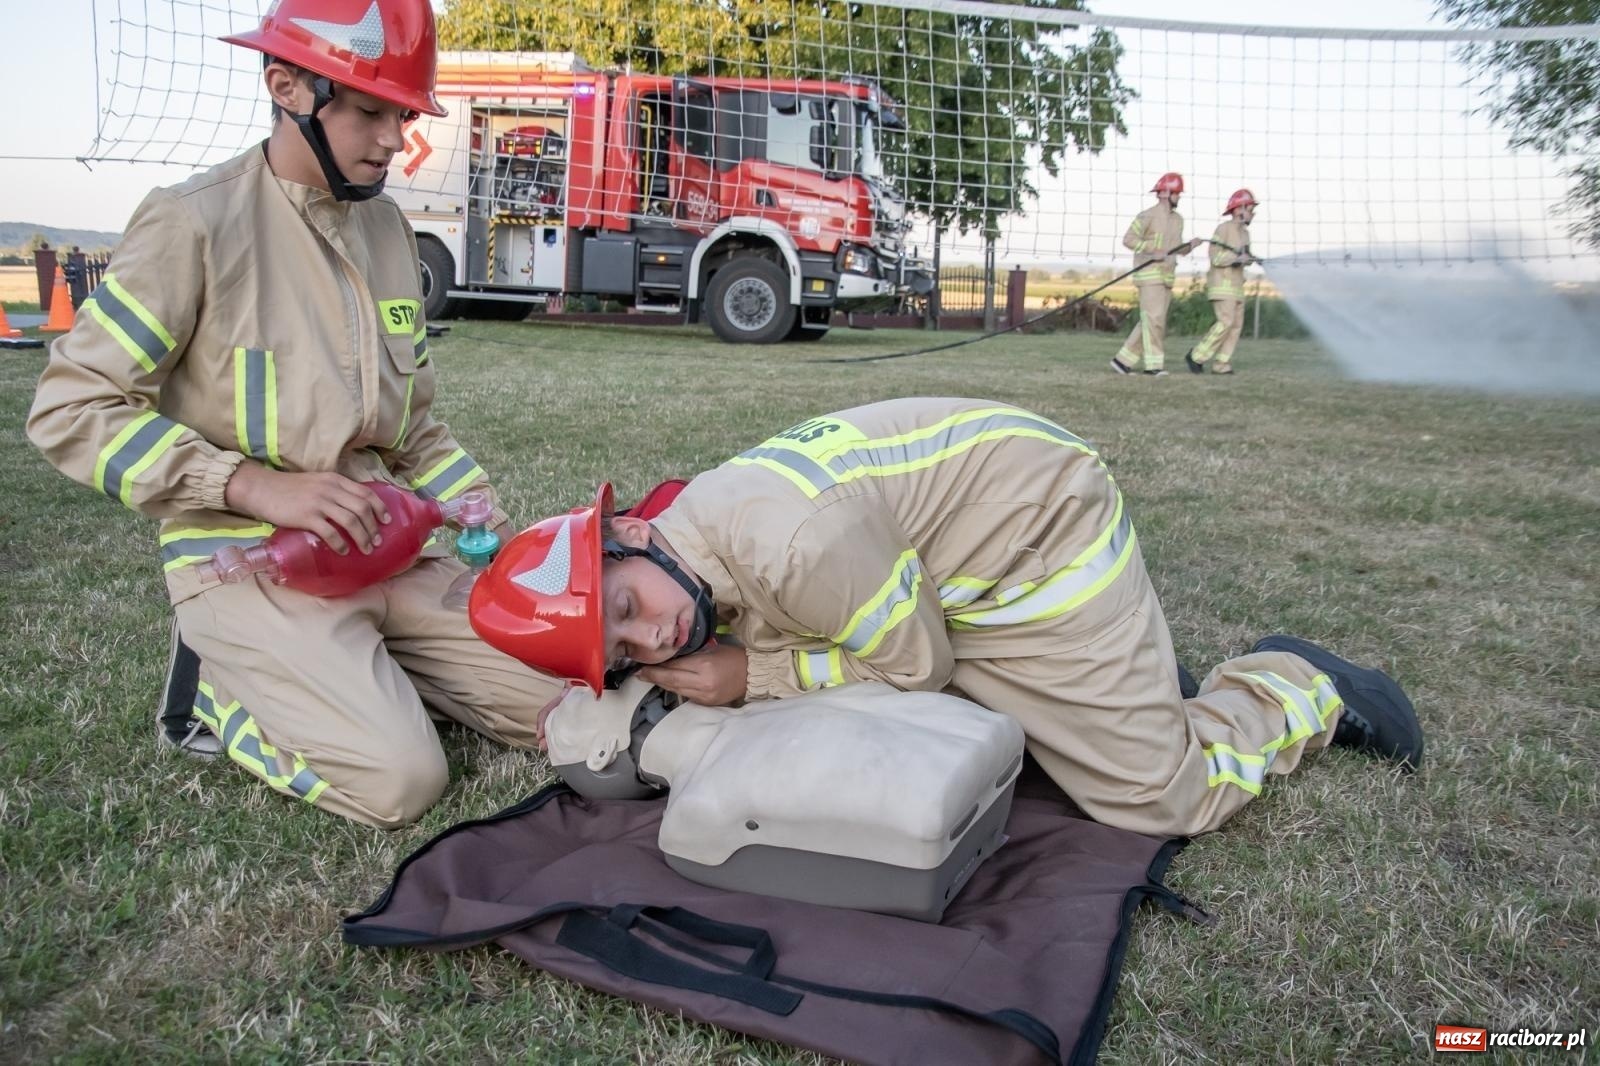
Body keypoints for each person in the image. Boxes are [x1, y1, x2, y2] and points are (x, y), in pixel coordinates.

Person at [26, 0, 565, 829]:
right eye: (370, 111)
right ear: (287, 86)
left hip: (384, 551)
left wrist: (480, 515)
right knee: (401, 782)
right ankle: (215, 684)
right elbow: (70, 409)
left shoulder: (386, 228)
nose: (394, 140)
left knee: (561, 709)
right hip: (248, 561)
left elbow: (413, 425)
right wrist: (248, 486)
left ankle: (372, 671)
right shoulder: (194, 222)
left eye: (403, 114)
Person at [471, 398, 1425, 838]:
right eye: (623, 651)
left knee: (1155, 800)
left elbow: (915, 670)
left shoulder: (791, 543)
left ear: (631, 530)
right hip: (931, 568)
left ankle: (1293, 685)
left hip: (1037, 547)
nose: (655, 641)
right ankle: (1124, 687)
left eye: (630, 608)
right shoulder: (691, 541)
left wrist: (748, 679)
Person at [1112, 172, 1197, 377]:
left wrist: (1189, 247)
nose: (1179, 197)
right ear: (1165, 193)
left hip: (1167, 276)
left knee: (1151, 320)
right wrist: (1150, 249)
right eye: (1177, 193)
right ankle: (1153, 366)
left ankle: (1122, 361)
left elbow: (1176, 248)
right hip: (1149, 274)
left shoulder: (1178, 220)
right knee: (1154, 320)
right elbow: (1128, 239)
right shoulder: (1147, 215)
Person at [1187, 189, 1259, 375]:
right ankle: (1196, 356)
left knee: (1235, 327)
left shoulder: (1245, 234)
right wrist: (1236, 258)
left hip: (1237, 287)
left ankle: (1222, 364)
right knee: (1225, 322)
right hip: (1222, 285)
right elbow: (1215, 257)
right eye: (1250, 209)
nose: (1252, 213)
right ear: (1238, 209)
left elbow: (1243, 257)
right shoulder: (1223, 229)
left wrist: (1248, 259)